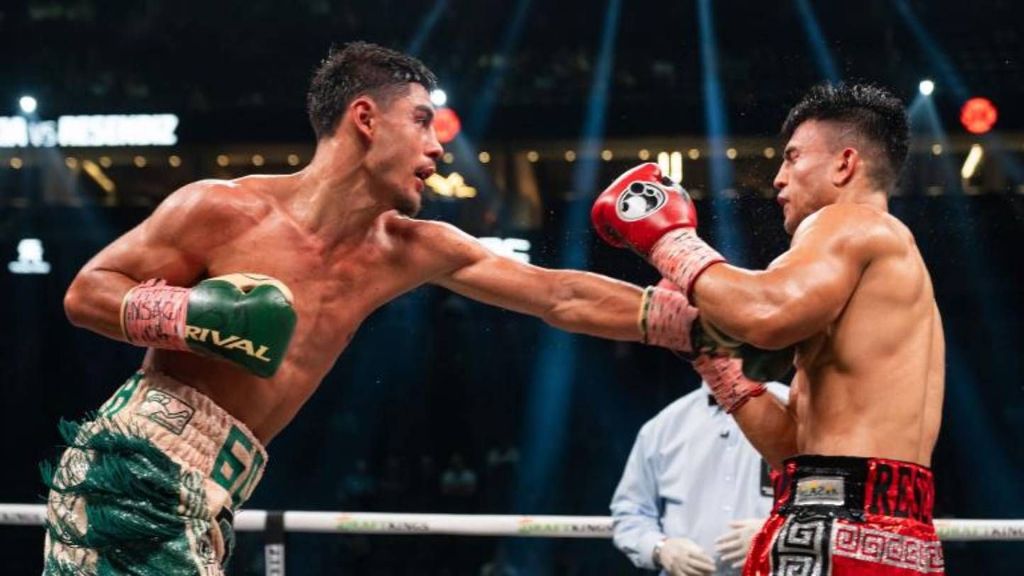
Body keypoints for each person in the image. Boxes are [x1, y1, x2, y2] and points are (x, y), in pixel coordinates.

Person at [42, 42, 682, 575]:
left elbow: (557, 293)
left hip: (211, 490)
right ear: (366, 118)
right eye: (423, 121)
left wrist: (689, 318)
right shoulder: (221, 208)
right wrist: (194, 318)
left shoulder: (410, 247)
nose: (439, 149)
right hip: (132, 463)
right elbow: (87, 292)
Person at [592, 83, 945, 575]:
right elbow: (793, 452)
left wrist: (669, 242)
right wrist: (714, 362)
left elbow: (765, 315)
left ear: (845, 164)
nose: (778, 178)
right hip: (884, 523)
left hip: (839, 524)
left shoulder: (850, 222)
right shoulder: (877, 285)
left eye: (793, 158)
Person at [611, 379, 789, 576]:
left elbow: (828, 503)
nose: (719, 354)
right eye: (709, 348)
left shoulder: (795, 409)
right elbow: (630, 512)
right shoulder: (664, 426)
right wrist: (661, 547)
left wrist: (777, 534)